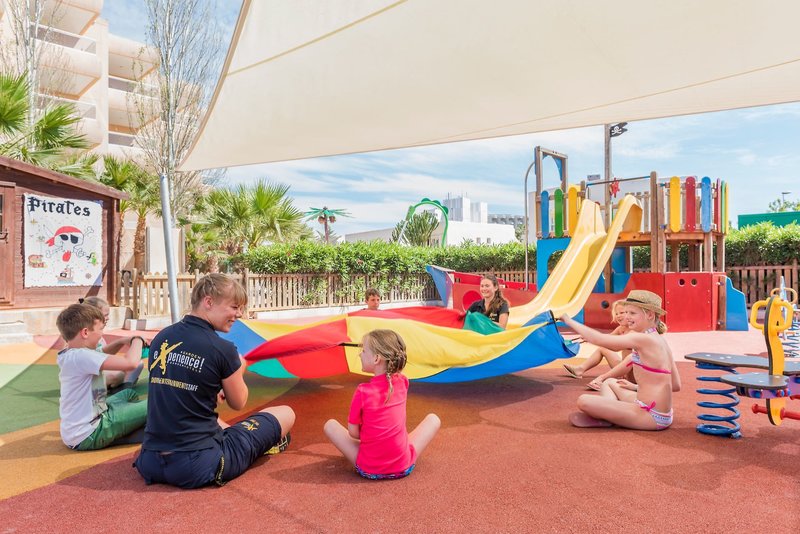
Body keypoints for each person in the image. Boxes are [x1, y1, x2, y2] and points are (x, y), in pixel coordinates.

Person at [134, 273, 295, 489]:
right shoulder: (222, 349)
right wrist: (240, 365)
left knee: (209, 419)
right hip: (196, 465)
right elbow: (238, 402)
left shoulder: (162, 337)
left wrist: (217, 384)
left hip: (150, 460)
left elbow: (182, 386)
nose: (239, 314)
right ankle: (259, 445)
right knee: (286, 413)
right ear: (208, 302)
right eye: (234, 307)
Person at [323, 329, 440, 479]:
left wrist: (371, 435)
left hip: (369, 469)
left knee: (330, 425)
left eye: (363, 351)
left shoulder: (362, 391)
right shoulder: (403, 381)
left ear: (377, 358)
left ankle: (381, 451)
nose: (360, 354)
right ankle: (394, 449)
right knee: (433, 419)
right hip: (403, 466)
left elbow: (353, 433)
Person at [560, 290, 681, 430]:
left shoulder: (643, 338)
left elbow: (601, 340)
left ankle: (607, 417)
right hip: (663, 413)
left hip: (650, 415)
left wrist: (568, 320)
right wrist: (636, 387)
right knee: (610, 382)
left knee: (583, 401)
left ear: (649, 315)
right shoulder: (660, 340)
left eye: (632, 313)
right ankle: (609, 414)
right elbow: (676, 385)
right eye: (626, 312)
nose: (627, 317)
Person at [55, 303, 147, 450]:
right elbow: (131, 363)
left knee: (128, 393)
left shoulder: (72, 353)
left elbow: (102, 353)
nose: (102, 334)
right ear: (85, 332)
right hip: (91, 432)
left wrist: (122, 341)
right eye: (100, 329)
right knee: (155, 403)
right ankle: (137, 430)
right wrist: (138, 339)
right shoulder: (81, 356)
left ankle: (129, 424)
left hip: (81, 428)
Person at [563, 300, 632, 390]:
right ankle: (580, 369)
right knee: (602, 348)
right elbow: (607, 337)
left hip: (632, 371)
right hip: (623, 369)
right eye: (616, 313)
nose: (618, 316)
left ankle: (604, 378)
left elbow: (616, 346)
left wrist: (594, 340)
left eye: (622, 313)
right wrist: (590, 337)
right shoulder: (621, 329)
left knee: (630, 357)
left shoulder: (634, 331)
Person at [81, 296, 144, 392]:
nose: (108, 318)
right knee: (116, 374)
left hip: (97, 371)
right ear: (92, 316)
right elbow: (97, 358)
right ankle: (121, 387)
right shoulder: (84, 335)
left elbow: (102, 354)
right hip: (87, 378)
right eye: (105, 315)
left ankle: (125, 386)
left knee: (138, 363)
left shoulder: (97, 333)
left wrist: (121, 341)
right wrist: (130, 341)